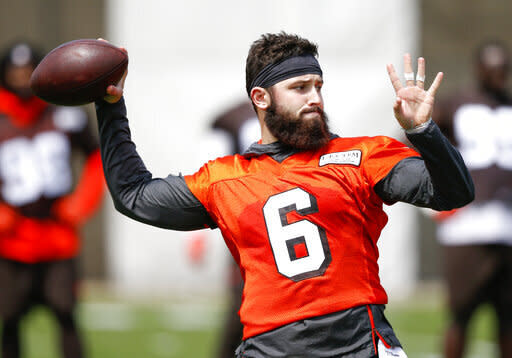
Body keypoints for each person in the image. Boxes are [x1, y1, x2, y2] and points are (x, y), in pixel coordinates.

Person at [96, 33, 474, 357]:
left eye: (318, 86)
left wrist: (424, 130)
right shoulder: (225, 179)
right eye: (299, 88)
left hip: (358, 341)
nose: (315, 99)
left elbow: (453, 193)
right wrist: (110, 107)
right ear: (261, 98)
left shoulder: (362, 156)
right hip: (270, 345)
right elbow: (133, 195)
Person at [0, 41, 105, 358]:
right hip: (10, 239)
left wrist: (81, 202)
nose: (21, 78)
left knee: (65, 314)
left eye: (28, 71)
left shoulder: (63, 113)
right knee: (9, 318)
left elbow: (97, 157)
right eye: (15, 72)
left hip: (56, 237)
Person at [432, 41, 512, 358]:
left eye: (503, 68)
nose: (497, 75)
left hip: (506, 226)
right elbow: (418, 143)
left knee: (508, 316)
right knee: (461, 313)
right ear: (477, 68)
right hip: (467, 225)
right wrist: (432, 200)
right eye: (492, 68)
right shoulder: (455, 104)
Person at [208, 101, 259, 358]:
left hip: (283, 218)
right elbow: (215, 123)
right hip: (246, 227)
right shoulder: (239, 116)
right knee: (241, 306)